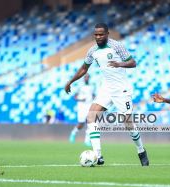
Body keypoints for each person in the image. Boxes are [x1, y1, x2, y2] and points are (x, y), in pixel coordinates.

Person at [65, 23, 149, 166]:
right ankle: (98, 156)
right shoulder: (92, 51)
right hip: (106, 88)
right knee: (91, 116)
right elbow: (84, 68)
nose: (98, 37)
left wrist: (119, 64)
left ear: (107, 34)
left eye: (101, 34)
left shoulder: (117, 46)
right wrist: (70, 81)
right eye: (96, 35)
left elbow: (133, 62)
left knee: (128, 123)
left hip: (121, 89)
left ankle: (141, 150)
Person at [69, 74, 93, 146]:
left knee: (90, 123)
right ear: (83, 78)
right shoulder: (80, 87)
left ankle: (87, 140)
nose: (86, 78)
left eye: (88, 77)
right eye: (85, 77)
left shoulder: (92, 87)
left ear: (89, 78)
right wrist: (80, 99)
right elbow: (74, 97)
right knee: (81, 123)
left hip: (89, 105)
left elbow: (93, 95)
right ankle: (73, 133)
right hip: (81, 106)